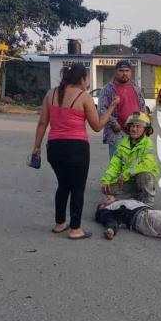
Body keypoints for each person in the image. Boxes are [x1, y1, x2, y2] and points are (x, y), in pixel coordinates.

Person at [33, 63, 119, 240]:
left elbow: (42, 123)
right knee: (78, 188)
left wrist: (36, 147)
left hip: (54, 148)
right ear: (82, 79)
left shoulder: (51, 94)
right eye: (86, 78)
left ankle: (59, 224)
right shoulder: (84, 97)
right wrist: (111, 108)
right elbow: (97, 126)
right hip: (77, 148)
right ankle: (75, 229)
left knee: (63, 185)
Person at [101, 111, 159, 203]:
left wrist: (126, 174)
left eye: (138, 126)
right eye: (132, 126)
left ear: (145, 129)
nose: (134, 129)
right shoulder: (123, 143)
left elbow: (147, 164)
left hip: (141, 180)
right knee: (107, 189)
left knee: (145, 176)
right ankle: (134, 197)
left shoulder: (148, 143)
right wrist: (106, 180)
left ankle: (148, 202)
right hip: (128, 180)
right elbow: (115, 164)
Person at [98, 60, 145, 158]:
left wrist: (143, 124)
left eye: (127, 71)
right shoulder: (107, 89)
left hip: (135, 132)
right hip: (117, 133)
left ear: (130, 72)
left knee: (134, 165)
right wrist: (113, 123)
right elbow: (102, 110)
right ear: (115, 72)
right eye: (121, 71)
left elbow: (142, 107)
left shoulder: (136, 88)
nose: (124, 73)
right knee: (117, 166)